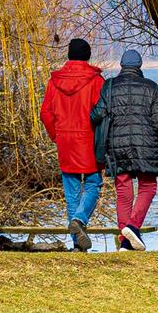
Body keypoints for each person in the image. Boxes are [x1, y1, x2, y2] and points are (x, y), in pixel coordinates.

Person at [91, 49, 158, 250]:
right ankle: (133, 227)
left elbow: (96, 115)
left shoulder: (109, 86)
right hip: (146, 144)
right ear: (139, 66)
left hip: (117, 145)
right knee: (148, 187)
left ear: (122, 66)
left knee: (123, 191)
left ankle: (125, 241)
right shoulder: (151, 86)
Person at [40, 38, 105, 251]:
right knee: (94, 183)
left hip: (65, 141)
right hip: (89, 140)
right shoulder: (96, 81)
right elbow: (102, 113)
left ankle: (78, 245)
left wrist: (56, 135)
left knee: (71, 192)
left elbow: (46, 113)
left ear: (69, 55)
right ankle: (79, 219)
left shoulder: (54, 81)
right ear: (87, 56)